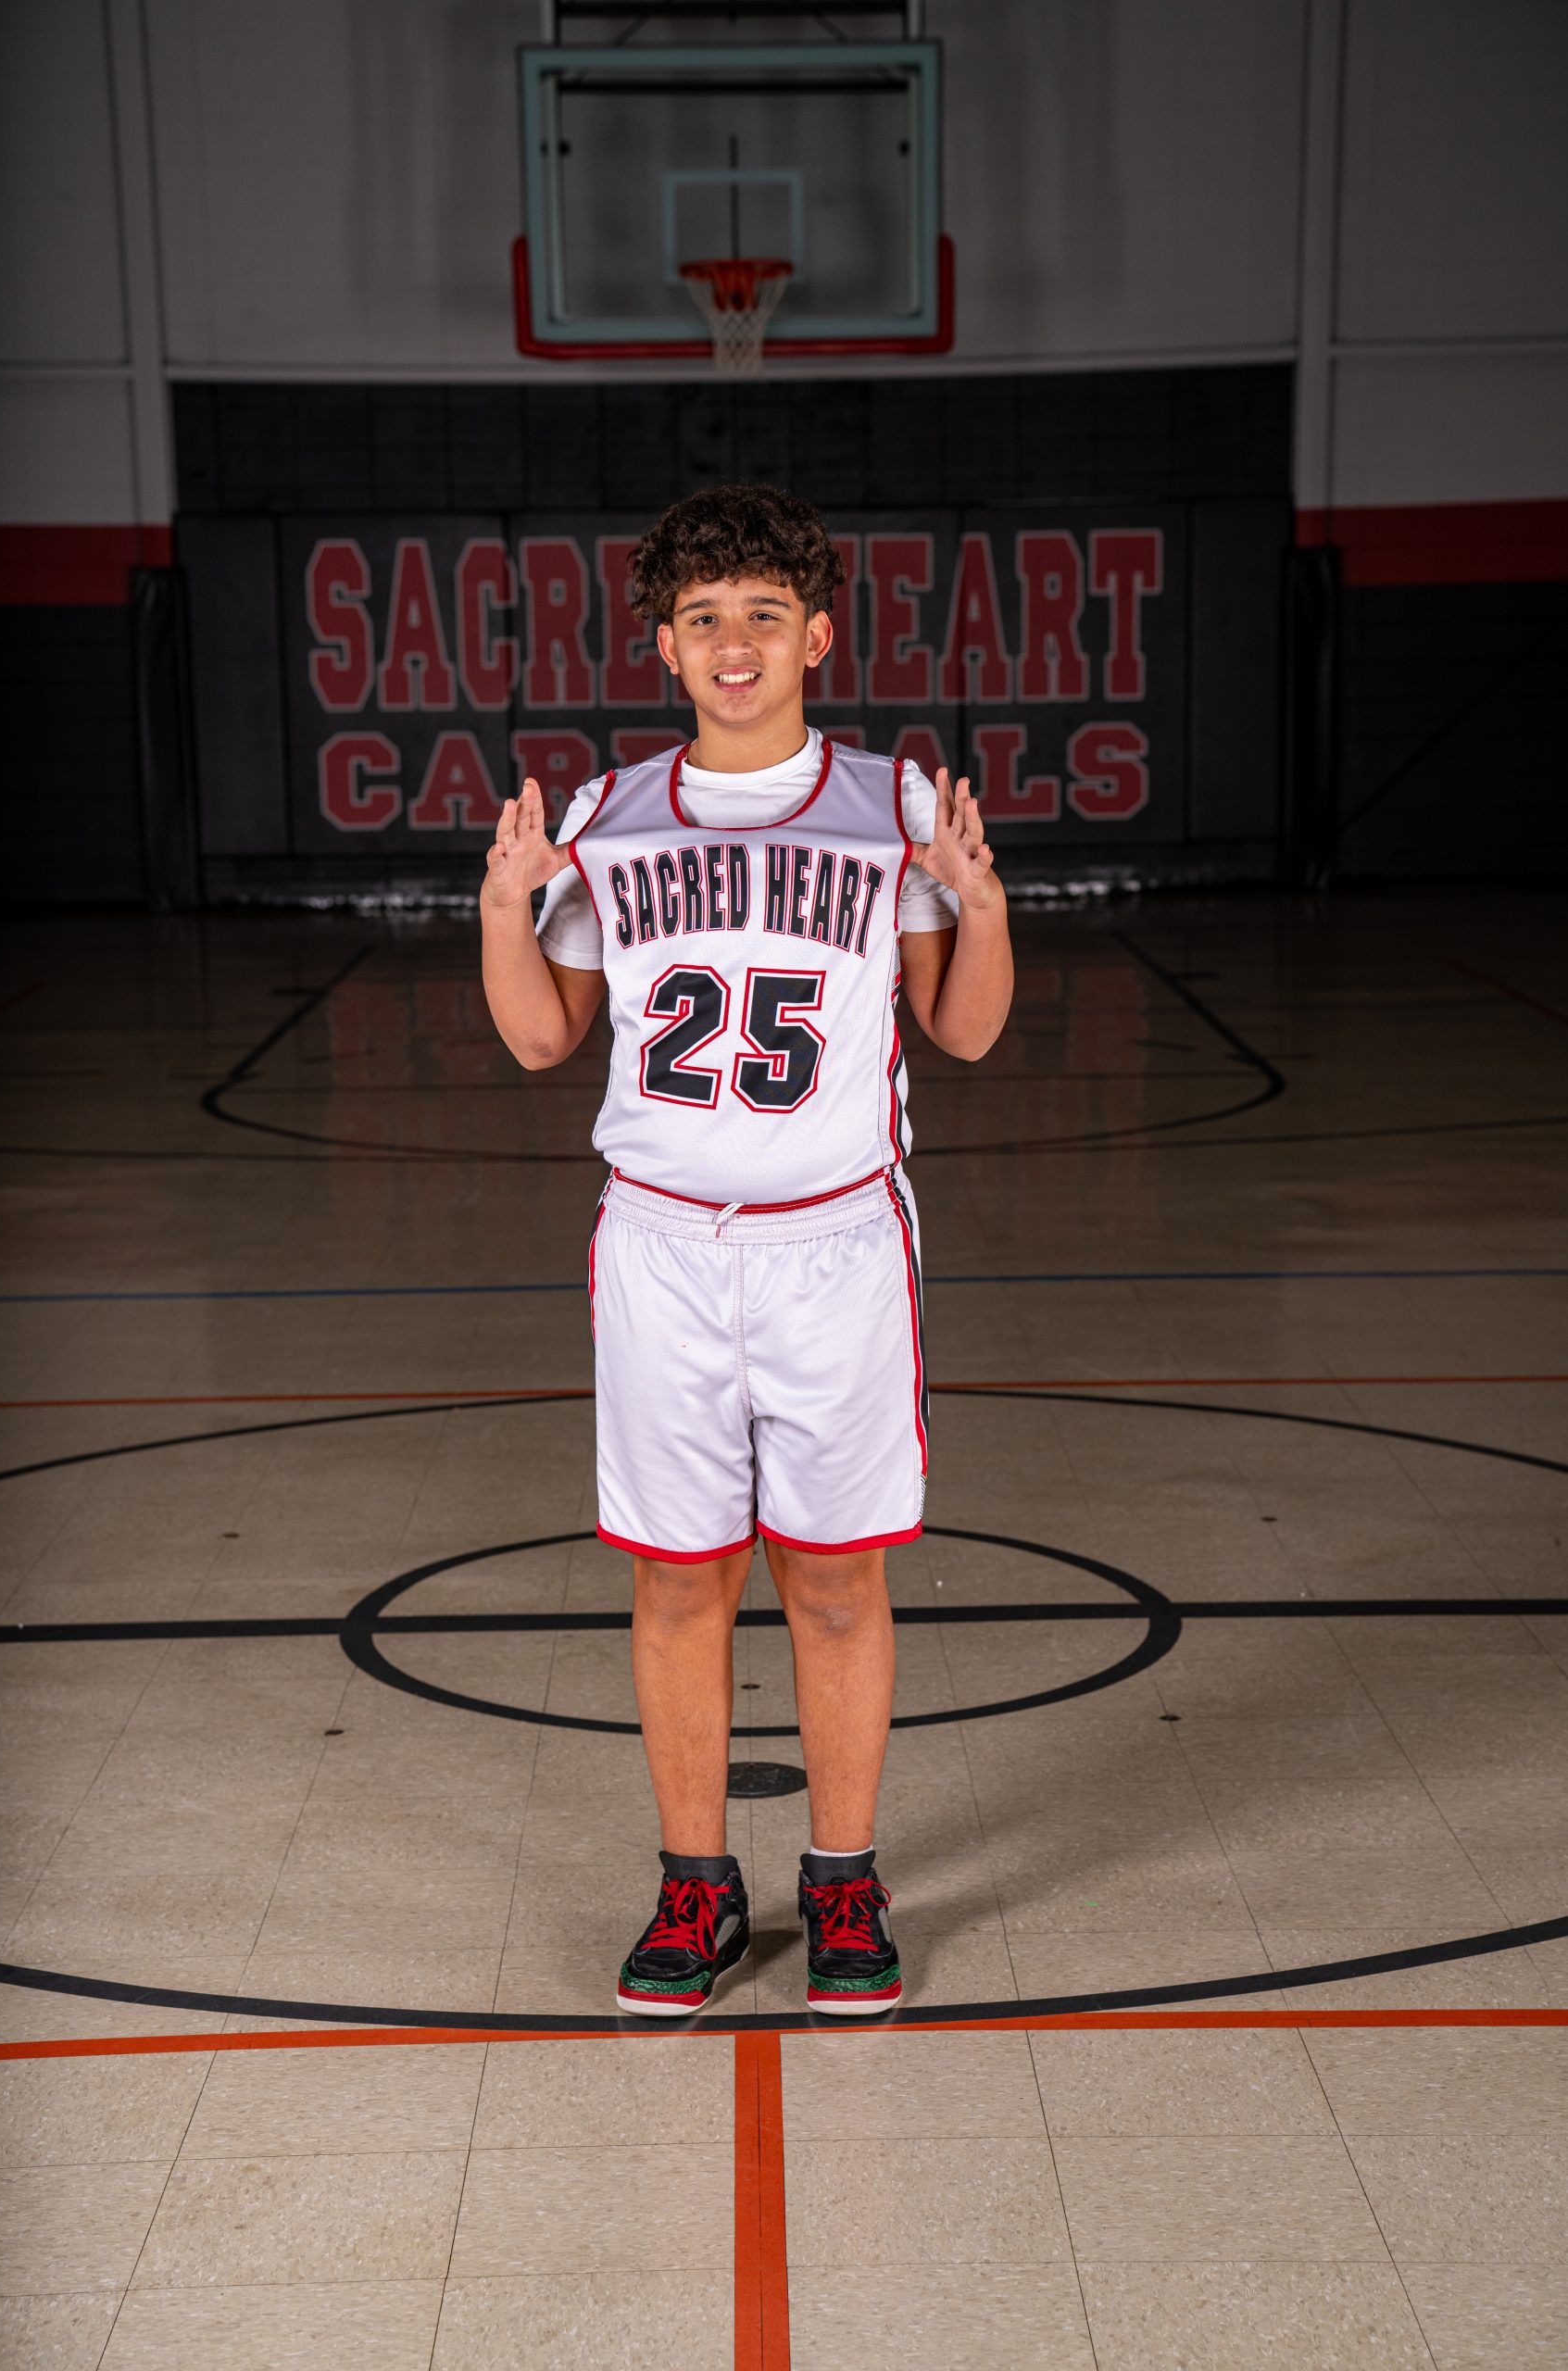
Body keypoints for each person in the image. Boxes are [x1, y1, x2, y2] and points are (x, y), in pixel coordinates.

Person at [481, 483, 1012, 2015]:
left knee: (835, 1582)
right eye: (702, 616)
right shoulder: (606, 816)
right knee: (678, 1582)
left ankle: (842, 1881)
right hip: (662, 1247)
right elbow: (540, 1040)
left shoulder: (892, 809)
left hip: (835, 1245)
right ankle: (694, 1887)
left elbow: (964, 1030)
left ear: (816, 636)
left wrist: (981, 906)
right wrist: (504, 911)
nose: (734, 642)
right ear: (662, 644)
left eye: (763, 614)